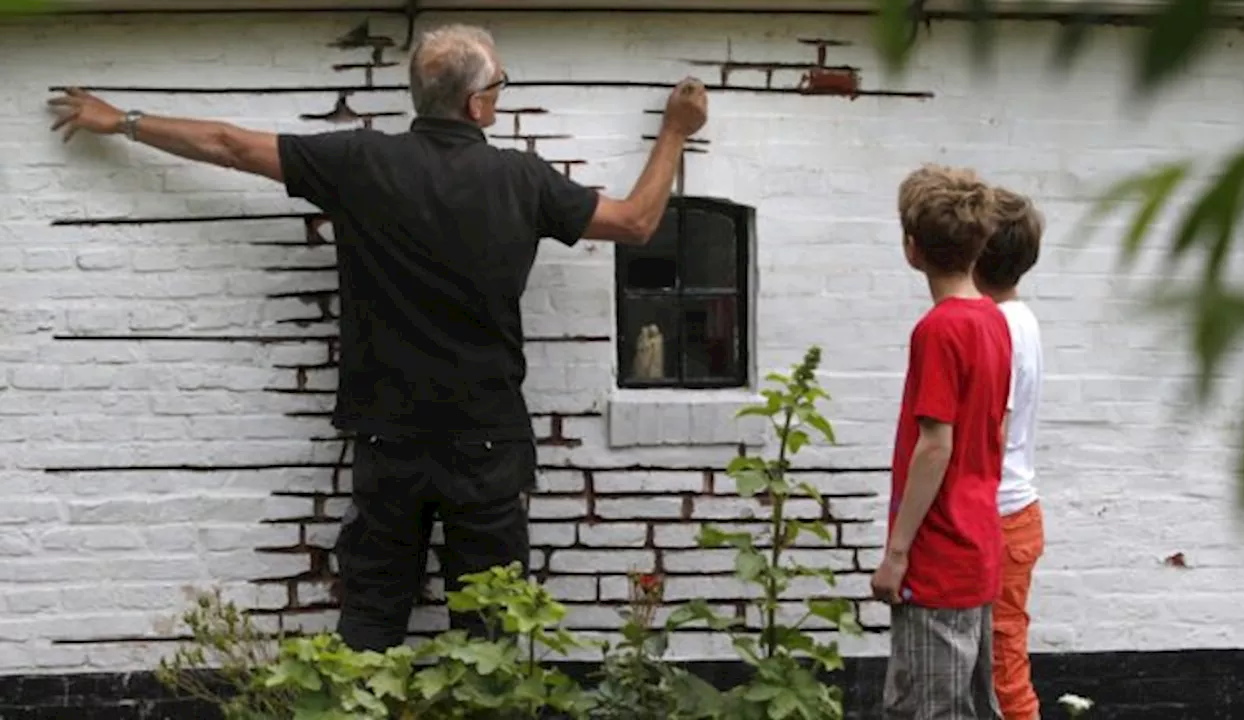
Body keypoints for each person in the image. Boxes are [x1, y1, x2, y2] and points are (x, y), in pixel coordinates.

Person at [46, 23, 708, 652]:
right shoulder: (522, 178)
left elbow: (227, 143)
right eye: (500, 84)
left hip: (387, 438)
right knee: (489, 632)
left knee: (370, 617)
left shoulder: (359, 160)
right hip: (486, 439)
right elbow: (635, 222)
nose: (501, 95)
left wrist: (123, 119)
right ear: (478, 104)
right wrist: (676, 131)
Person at [871, 164, 1011, 720]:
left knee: (926, 709)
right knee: (969, 704)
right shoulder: (994, 322)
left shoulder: (940, 329)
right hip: (979, 542)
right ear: (978, 248)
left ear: (912, 248)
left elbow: (936, 446)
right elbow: (994, 430)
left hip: (938, 554)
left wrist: (896, 554)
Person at [975, 187, 1046, 720]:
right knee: (1001, 665)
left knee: (1003, 676)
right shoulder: (1023, 319)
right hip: (1014, 513)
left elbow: (991, 433)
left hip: (997, 515)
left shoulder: (997, 327)